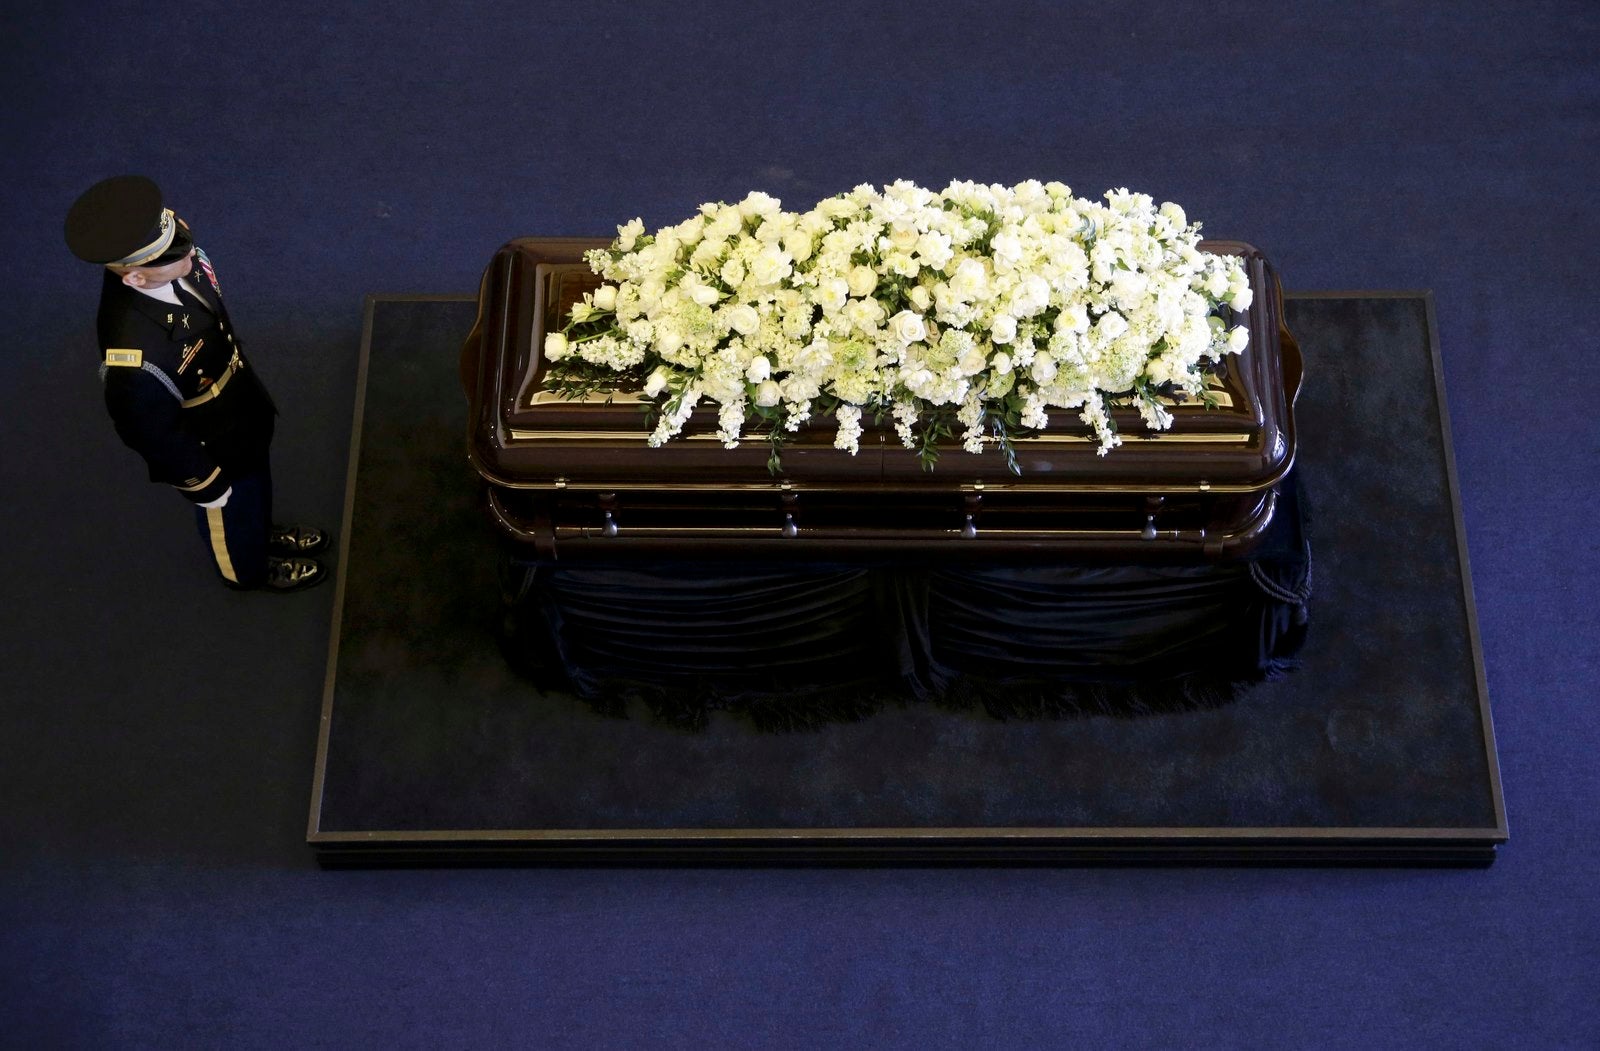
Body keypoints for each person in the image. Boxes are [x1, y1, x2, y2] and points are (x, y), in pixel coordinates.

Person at [65, 175, 327, 592]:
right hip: (210, 444)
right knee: (229, 508)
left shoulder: (177, 264)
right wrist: (203, 484)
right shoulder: (134, 360)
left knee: (256, 486)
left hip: (240, 408)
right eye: (175, 252)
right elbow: (150, 433)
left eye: (179, 235)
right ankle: (248, 571)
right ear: (134, 278)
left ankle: (261, 530)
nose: (189, 249)